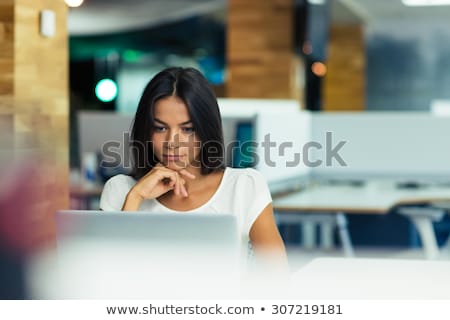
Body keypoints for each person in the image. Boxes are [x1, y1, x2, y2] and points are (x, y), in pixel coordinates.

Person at [100, 67, 288, 270]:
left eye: (187, 129)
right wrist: (135, 198)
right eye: (160, 128)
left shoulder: (244, 186)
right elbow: (107, 280)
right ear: (146, 130)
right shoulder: (120, 190)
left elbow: (277, 280)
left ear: (205, 130)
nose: (172, 142)